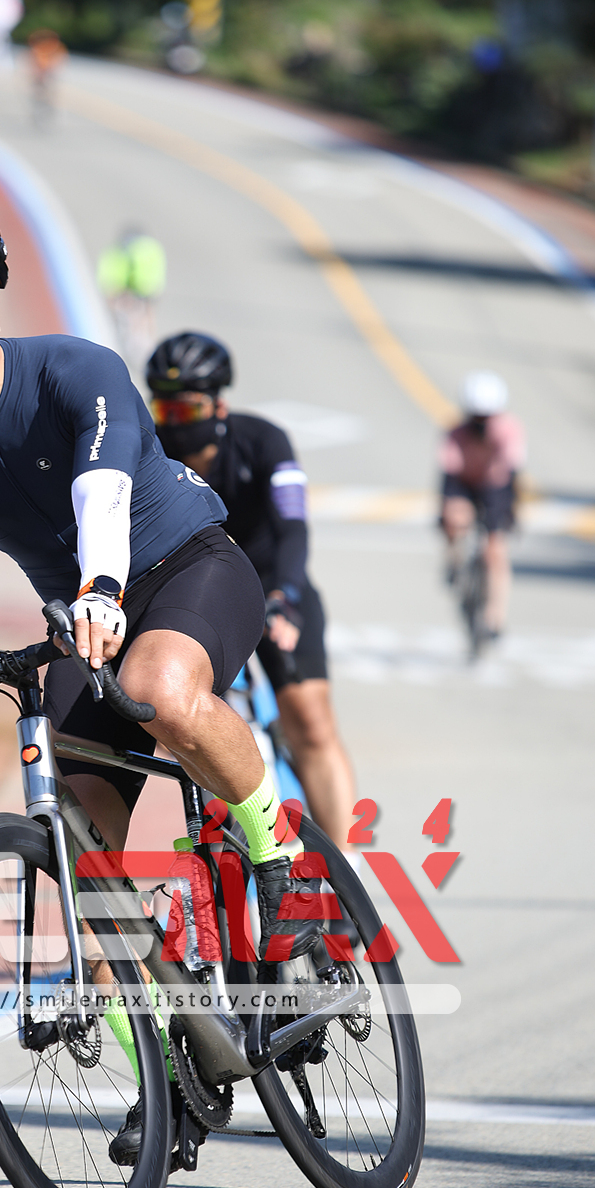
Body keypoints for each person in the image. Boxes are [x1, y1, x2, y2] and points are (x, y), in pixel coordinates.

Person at [0, 201, 318, 1165]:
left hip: (182, 567)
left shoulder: (75, 371)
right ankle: (169, 1078)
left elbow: (102, 492)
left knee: (162, 687)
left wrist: (100, 587)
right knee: (84, 863)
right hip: (80, 624)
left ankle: (280, 860)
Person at [145, 333, 358, 846]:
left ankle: (346, 865)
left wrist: (285, 597)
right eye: (165, 409)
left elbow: (293, 529)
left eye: (189, 408)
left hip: (273, 585)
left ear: (219, 405)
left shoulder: (265, 441)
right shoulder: (150, 451)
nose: (176, 421)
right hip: (198, 593)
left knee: (310, 723)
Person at [438, 371, 526, 643]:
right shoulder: (456, 433)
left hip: (496, 487)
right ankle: (454, 561)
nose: (481, 423)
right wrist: (449, 513)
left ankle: (494, 617)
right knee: (455, 517)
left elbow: (511, 474)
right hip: (464, 483)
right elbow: (448, 476)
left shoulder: (509, 431)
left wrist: (510, 513)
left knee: (495, 551)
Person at [96, 226, 166, 365]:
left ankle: (135, 349)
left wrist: (122, 289)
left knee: (132, 319)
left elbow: (127, 269)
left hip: (137, 288)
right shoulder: (153, 247)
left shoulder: (125, 249)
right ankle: (149, 345)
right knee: (148, 316)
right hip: (152, 286)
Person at [24, 27, 67, 128]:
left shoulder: (56, 48)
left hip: (49, 74)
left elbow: (59, 61)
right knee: (39, 94)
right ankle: (39, 110)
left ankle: (49, 110)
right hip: (40, 75)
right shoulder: (37, 48)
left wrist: (51, 72)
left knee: (50, 94)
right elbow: (33, 62)